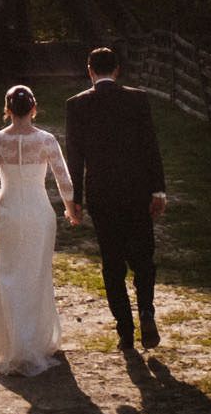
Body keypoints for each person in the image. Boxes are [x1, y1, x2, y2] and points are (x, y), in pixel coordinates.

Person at [63, 44, 168, 352]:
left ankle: (125, 330)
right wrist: (158, 190)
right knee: (143, 258)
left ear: (90, 71)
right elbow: (151, 147)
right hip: (136, 191)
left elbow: (75, 157)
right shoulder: (138, 100)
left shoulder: (77, 105)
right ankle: (147, 310)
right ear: (118, 70)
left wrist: (75, 200)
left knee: (112, 264)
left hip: (102, 194)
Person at [0, 83, 72, 376]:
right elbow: (64, 181)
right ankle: (36, 340)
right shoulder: (46, 140)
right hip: (38, 211)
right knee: (36, 273)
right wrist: (71, 208)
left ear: (7, 110)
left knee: (10, 273)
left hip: (11, 210)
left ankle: (13, 343)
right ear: (34, 109)